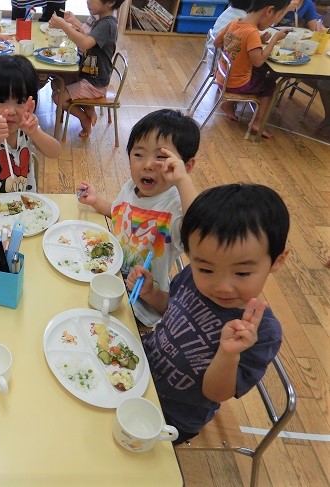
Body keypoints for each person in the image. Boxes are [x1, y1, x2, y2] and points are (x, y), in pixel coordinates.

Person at [126, 183, 289, 443]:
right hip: (138, 367)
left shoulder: (263, 332)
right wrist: (150, 292)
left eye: (242, 273)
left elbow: (215, 393)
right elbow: (171, 309)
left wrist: (228, 353)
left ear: (276, 261)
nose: (221, 286)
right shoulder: (193, 276)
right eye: (207, 269)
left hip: (172, 414)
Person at [77, 109, 199, 328]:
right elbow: (117, 211)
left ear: (185, 166)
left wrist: (183, 181)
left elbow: (199, 233)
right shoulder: (130, 188)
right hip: (105, 280)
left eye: (161, 157)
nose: (147, 164)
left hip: (139, 308)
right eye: (138, 154)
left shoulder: (176, 208)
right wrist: (97, 201)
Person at [0, 55, 61, 192]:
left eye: (20, 102)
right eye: (1, 100)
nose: (10, 111)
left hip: (24, 207)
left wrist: (35, 133)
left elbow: (55, 152)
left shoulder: (26, 129)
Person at [213, 0, 291, 138]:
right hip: (235, 84)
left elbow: (217, 42)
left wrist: (251, 42)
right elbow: (259, 61)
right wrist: (274, 39)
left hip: (221, 76)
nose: (274, 22)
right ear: (269, 11)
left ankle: (228, 105)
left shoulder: (235, 22)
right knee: (270, 86)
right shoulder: (252, 32)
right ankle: (257, 122)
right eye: (277, 17)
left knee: (258, 74)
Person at [49, 0, 125, 138]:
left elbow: (84, 43)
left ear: (110, 2)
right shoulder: (103, 20)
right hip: (88, 74)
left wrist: (63, 25)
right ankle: (89, 108)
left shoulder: (107, 24)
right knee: (55, 82)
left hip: (94, 83)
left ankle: (84, 118)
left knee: (57, 97)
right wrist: (74, 22)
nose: (87, 1)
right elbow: (88, 35)